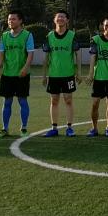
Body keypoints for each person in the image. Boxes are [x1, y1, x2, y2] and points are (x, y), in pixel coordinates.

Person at [42, 9, 84, 137]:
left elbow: (78, 55)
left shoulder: (72, 35)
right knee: (54, 100)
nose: (60, 19)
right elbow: (46, 57)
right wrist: (44, 75)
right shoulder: (49, 36)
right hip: (54, 75)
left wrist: (79, 72)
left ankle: (69, 128)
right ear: (54, 20)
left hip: (68, 74)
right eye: (58, 17)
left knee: (68, 100)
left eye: (63, 17)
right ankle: (54, 128)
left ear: (67, 20)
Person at [0, 9, 35, 137]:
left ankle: (24, 128)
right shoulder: (4, 36)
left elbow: (30, 54)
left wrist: (25, 68)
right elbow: (1, 53)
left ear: (20, 21)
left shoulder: (27, 35)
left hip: (22, 75)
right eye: (9, 19)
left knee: (22, 101)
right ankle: (5, 128)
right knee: (7, 102)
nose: (10, 21)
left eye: (13, 19)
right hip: (7, 75)